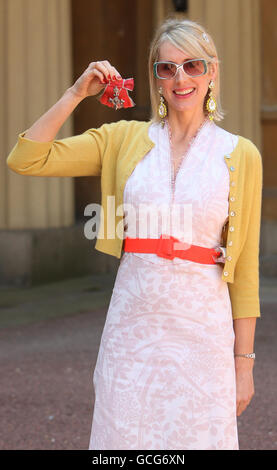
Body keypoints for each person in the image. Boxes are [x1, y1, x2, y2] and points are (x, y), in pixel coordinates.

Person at [6, 18, 263, 450]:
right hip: (133, 331)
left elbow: (247, 267)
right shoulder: (121, 139)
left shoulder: (240, 154)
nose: (180, 78)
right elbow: (27, 158)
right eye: (166, 69)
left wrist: (244, 365)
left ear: (212, 71)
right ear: (155, 79)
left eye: (193, 65)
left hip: (203, 331)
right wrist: (75, 94)